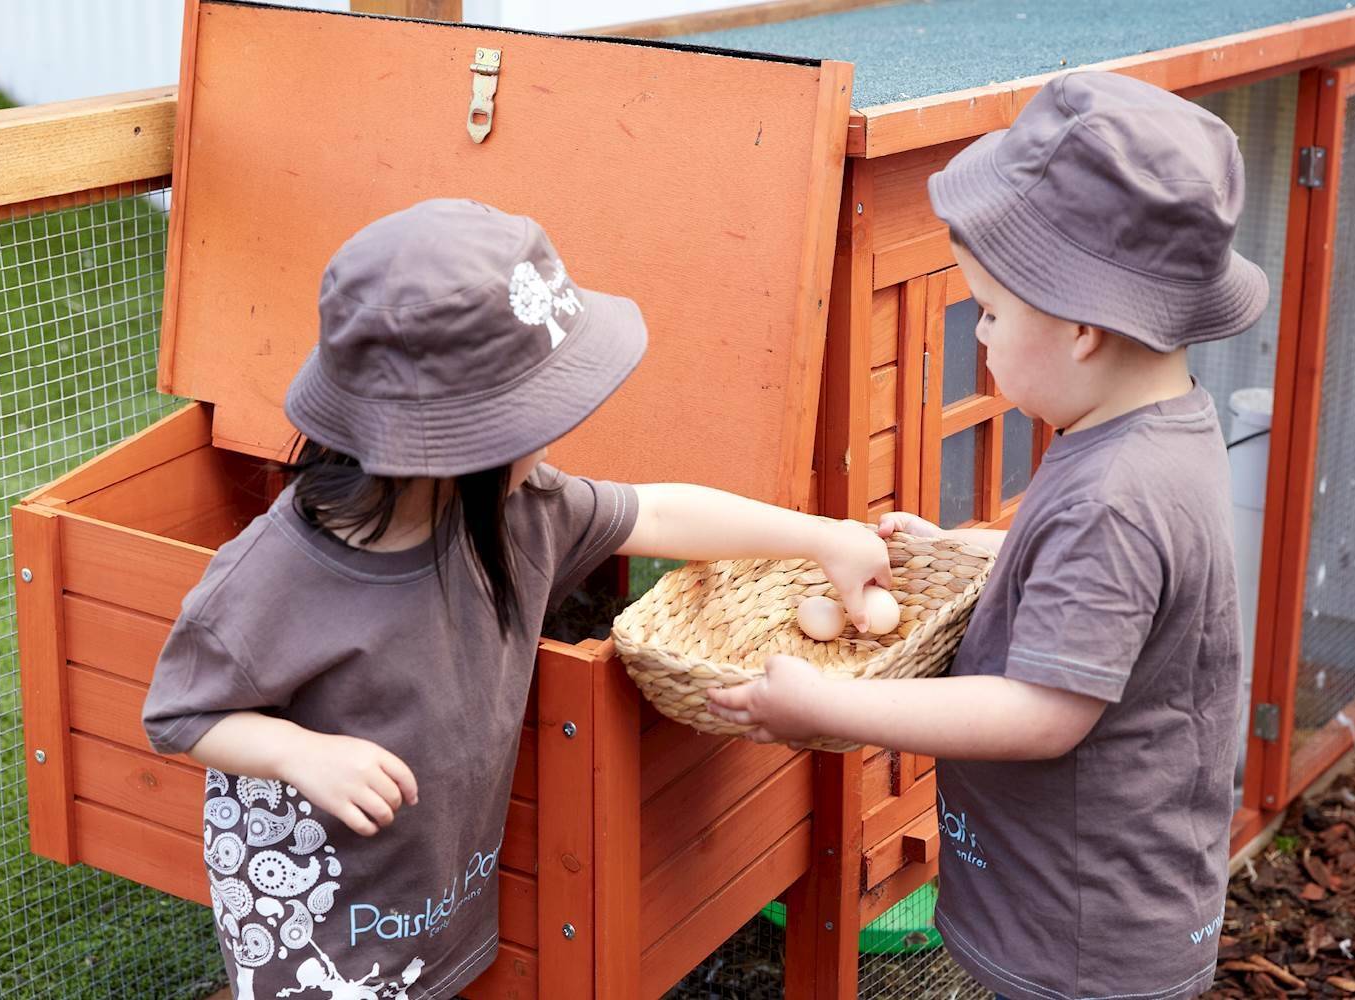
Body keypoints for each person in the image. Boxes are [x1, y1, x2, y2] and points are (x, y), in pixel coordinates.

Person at [141, 198, 889, 1000]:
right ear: (458, 443)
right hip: (312, 924)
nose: (552, 434)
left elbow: (661, 511)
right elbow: (180, 715)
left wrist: (822, 538)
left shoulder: (521, 510)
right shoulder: (272, 578)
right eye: (537, 410)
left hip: (428, 892)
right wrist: (300, 754)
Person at [708, 71, 1267, 1000]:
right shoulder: (1160, 430)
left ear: (1084, 328)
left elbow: (1039, 715)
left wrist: (827, 712)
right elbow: (1128, 595)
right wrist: (987, 552)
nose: (981, 342)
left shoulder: (1114, 495)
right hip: (1094, 907)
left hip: (1080, 942)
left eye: (994, 315)